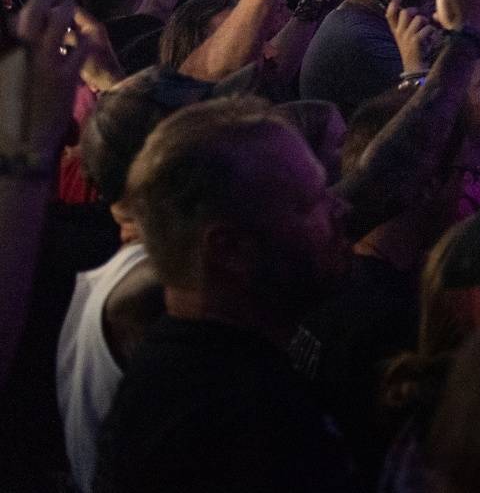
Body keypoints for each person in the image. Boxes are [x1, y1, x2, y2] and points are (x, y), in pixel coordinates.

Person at [93, 97, 357, 492]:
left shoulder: (189, 378)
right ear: (229, 249)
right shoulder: (242, 425)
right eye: (310, 203)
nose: (343, 209)